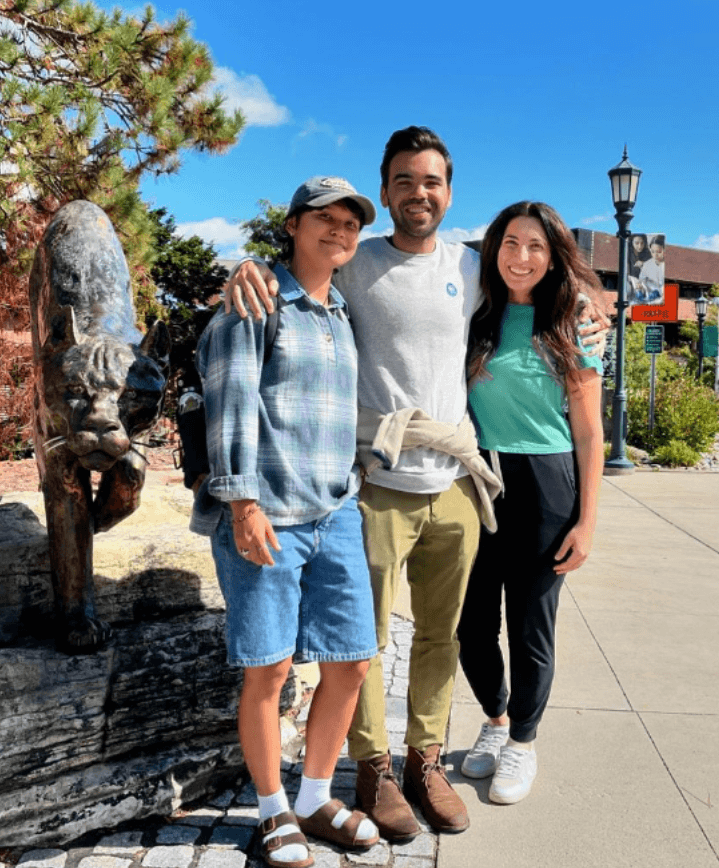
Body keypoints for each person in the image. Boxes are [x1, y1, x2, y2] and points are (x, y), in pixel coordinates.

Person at [227, 127, 608, 842]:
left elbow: (546, 289)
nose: (418, 192)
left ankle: (425, 759)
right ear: (386, 188)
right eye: (404, 180)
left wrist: (589, 300)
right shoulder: (354, 261)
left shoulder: (473, 269)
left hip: (458, 485)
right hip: (375, 481)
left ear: (448, 191)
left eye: (431, 181)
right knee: (359, 641)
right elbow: (294, 272)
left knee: (442, 634)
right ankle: (371, 766)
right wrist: (245, 266)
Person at [192, 176, 382, 868]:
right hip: (268, 514)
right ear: (295, 224)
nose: (340, 232)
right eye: (326, 219)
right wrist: (240, 502)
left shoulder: (339, 316)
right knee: (267, 669)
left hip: (336, 513)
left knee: (352, 660)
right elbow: (230, 404)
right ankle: (273, 809)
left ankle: (315, 796)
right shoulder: (257, 299)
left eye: (351, 224)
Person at [456, 201, 604, 805]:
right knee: (469, 624)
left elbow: (591, 432)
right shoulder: (476, 315)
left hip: (546, 482)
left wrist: (588, 521)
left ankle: (523, 740)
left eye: (536, 246)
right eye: (510, 243)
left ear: (554, 255)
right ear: (493, 249)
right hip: (477, 475)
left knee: (529, 625)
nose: (521, 257)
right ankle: (494, 721)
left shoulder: (573, 322)